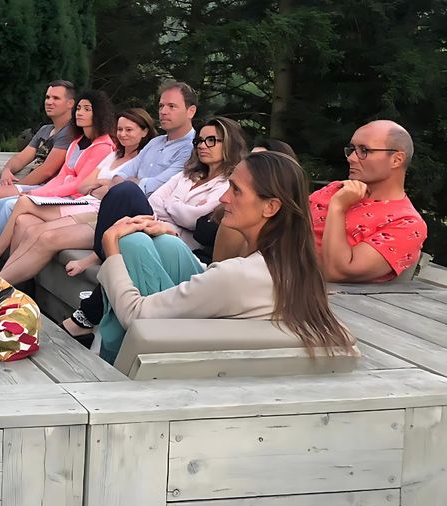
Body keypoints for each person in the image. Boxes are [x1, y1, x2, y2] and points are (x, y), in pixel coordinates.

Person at [92, 151, 357, 364]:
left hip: (173, 368)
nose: (223, 198)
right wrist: (173, 239)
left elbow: (135, 314)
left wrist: (111, 248)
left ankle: (98, 343)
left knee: (132, 243)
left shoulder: (238, 276)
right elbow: (223, 286)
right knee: (166, 244)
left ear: (270, 206)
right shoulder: (296, 267)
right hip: (224, 363)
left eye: (236, 190)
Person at [64, 116, 247, 338]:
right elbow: (154, 201)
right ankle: (103, 260)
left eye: (211, 140)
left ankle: (88, 306)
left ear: (229, 144)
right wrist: (173, 211)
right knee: (124, 192)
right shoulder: (188, 174)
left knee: (129, 195)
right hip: (154, 226)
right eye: (199, 140)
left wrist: (170, 207)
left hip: (179, 245)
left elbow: (194, 219)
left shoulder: (229, 184)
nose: (202, 146)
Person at [216, 121, 427, 282]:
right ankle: (216, 281)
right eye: (352, 149)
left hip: (309, 302)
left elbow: (335, 271)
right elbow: (280, 223)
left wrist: (338, 208)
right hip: (258, 271)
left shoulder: (407, 223)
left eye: (364, 151)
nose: (351, 158)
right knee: (239, 210)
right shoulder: (335, 188)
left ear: (397, 159)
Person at [0, 89, 117, 282]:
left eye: (87, 109)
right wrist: (39, 192)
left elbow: (78, 185)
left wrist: (38, 194)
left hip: (77, 200)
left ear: (99, 113)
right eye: (79, 108)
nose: (80, 113)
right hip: (59, 195)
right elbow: (62, 176)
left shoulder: (103, 147)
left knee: (16, 204)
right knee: (6, 204)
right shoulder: (77, 142)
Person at [0, 81, 77, 268]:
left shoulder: (70, 132)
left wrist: (17, 187)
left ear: (70, 104)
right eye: (47, 97)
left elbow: (48, 170)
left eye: (56, 98)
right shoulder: (45, 130)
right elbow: (21, 157)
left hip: (45, 188)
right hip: (28, 182)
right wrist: (7, 170)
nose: (49, 102)